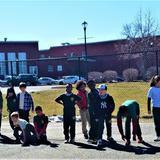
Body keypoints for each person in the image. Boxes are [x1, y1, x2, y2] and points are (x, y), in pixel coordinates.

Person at [147, 75, 160, 141]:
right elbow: (148, 99)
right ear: (156, 82)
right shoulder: (152, 89)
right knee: (157, 123)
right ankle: (158, 136)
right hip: (155, 108)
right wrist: (148, 109)